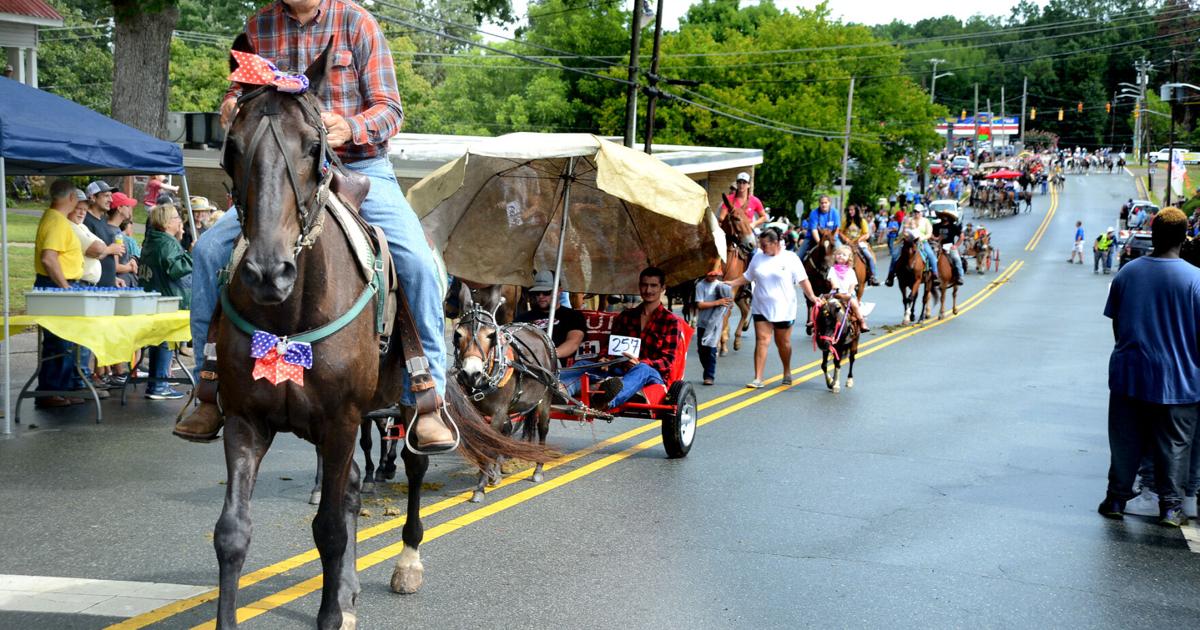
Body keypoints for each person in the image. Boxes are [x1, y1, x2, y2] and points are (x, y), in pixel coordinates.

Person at [175, 0, 453, 450]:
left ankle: (426, 398)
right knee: (208, 252)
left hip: (359, 167)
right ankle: (209, 390)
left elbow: (390, 109)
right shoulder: (259, 27)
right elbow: (241, 92)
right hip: (282, 174)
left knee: (418, 263)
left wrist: (351, 126)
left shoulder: (357, 22)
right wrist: (230, 106)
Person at [1098, 208, 1200, 527]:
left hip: (1130, 374)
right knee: (1174, 445)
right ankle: (1170, 507)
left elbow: (1118, 326)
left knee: (1125, 440)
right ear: (1184, 238)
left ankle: (1116, 498)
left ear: (1152, 234)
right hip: (1180, 379)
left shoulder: (1127, 274)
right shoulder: (1196, 280)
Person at [559, 267, 684, 410]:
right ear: (639, 286)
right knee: (584, 364)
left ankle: (606, 401)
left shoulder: (671, 321)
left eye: (653, 285)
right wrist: (604, 358)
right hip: (618, 368)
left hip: (649, 374)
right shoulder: (626, 316)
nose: (648, 290)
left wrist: (639, 362)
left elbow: (667, 361)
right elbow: (611, 345)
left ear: (663, 288)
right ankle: (560, 390)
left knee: (642, 369)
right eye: (644, 285)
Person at [725, 229, 821, 388]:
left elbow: (803, 280)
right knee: (762, 341)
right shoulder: (757, 257)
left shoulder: (790, 258)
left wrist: (812, 297)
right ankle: (758, 378)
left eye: (765, 245)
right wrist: (732, 283)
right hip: (761, 306)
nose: (762, 248)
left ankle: (787, 371)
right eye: (760, 245)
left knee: (783, 343)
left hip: (784, 308)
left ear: (776, 243)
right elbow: (748, 276)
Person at [33, 180, 89, 407]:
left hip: (57, 284)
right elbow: (49, 257)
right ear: (71, 198)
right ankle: (51, 391)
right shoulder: (56, 221)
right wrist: (65, 287)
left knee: (64, 340)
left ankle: (60, 389)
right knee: (60, 340)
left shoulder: (55, 218)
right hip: (57, 285)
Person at [139, 204, 193, 400]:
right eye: (177, 218)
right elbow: (175, 268)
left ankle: (157, 383)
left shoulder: (151, 240)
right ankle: (160, 384)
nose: (180, 221)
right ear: (167, 222)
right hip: (168, 297)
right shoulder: (167, 243)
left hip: (154, 295)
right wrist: (191, 254)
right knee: (165, 342)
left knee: (159, 341)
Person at [515, 270, 586, 365]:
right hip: (528, 366)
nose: (541, 296)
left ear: (559, 291)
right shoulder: (522, 318)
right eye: (537, 293)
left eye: (546, 292)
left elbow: (573, 342)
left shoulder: (573, 316)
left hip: (561, 369)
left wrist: (549, 355)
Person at [693, 265, 733, 385]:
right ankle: (707, 369)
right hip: (702, 323)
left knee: (711, 349)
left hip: (715, 324)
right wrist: (717, 302)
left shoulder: (721, 286)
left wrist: (727, 303)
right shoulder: (700, 285)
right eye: (711, 275)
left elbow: (729, 302)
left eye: (715, 275)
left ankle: (709, 376)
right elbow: (699, 305)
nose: (713, 277)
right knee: (702, 351)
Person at [886, 204, 938, 287]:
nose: (916, 213)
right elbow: (901, 231)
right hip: (908, 242)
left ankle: (935, 275)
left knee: (931, 256)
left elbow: (929, 234)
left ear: (922, 212)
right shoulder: (908, 220)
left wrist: (921, 238)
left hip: (922, 242)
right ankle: (890, 275)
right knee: (895, 255)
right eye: (915, 211)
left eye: (918, 212)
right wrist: (904, 235)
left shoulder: (926, 221)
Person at [827, 245, 868, 332]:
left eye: (844, 255)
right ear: (835, 256)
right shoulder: (832, 269)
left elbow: (853, 283)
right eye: (839, 254)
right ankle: (815, 322)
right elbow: (832, 279)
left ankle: (861, 321)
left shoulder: (850, 271)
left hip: (847, 294)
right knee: (824, 304)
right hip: (836, 293)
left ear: (848, 258)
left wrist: (849, 292)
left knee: (855, 305)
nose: (841, 256)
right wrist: (834, 286)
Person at [838, 204, 879, 285]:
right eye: (849, 210)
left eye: (852, 210)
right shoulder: (845, 220)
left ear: (856, 211)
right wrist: (846, 239)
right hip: (847, 243)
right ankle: (835, 275)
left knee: (869, 257)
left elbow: (866, 234)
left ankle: (873, 276)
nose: (850, 212)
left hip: (859, 243)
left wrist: (859, 239)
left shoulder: (862, 221)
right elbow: (840, 232)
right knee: (837, 256)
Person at [796, 195, 840, 261]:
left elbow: (837, 228)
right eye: (822, 203)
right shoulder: (814, 213)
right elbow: (814, 230)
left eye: (825, 203)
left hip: (831, 238)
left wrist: (832, 239)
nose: (824, 205)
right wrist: (820, 243)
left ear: (829, 203)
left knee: (842, 252)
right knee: (798, 256)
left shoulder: (835, 212)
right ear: (819, 204)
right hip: (812, 238)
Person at [109, 192, 139, 288]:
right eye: (127, 205)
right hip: (120, 284)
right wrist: (130, 267)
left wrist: (132, 260)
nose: (129, 208)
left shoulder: (117, 230)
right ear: (119, 208)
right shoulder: (111, 232)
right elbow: (115, 266)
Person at [932, 211, 964, 286]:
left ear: (949, 218)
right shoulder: (936, 226)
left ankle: (960, 276)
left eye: (946, 216)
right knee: (931, 258)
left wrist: (956, 245)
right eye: (942, 216)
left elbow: (962, 236)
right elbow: (931, 234)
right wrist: (935, 238)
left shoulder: (953, 227)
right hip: (938, 245)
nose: (944, 217)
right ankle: (933, 275)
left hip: (949, 246)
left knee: (956, 258)